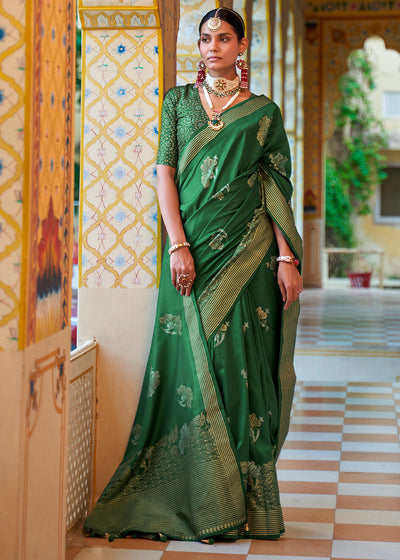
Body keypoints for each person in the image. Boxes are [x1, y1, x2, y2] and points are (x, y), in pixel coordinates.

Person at [84, 7, 303, 542]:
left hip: (249, 258)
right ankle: (193, 495)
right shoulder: (178, 102)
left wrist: (287, 258)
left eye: (223, 38)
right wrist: (178, 245)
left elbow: (275, 190)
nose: (212, 47)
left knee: (240, 368)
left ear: (242, 45)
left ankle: (239, 499)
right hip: (191, 255)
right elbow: (164, 173)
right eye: (205, 38)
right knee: (188, 366)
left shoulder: (263, 113)